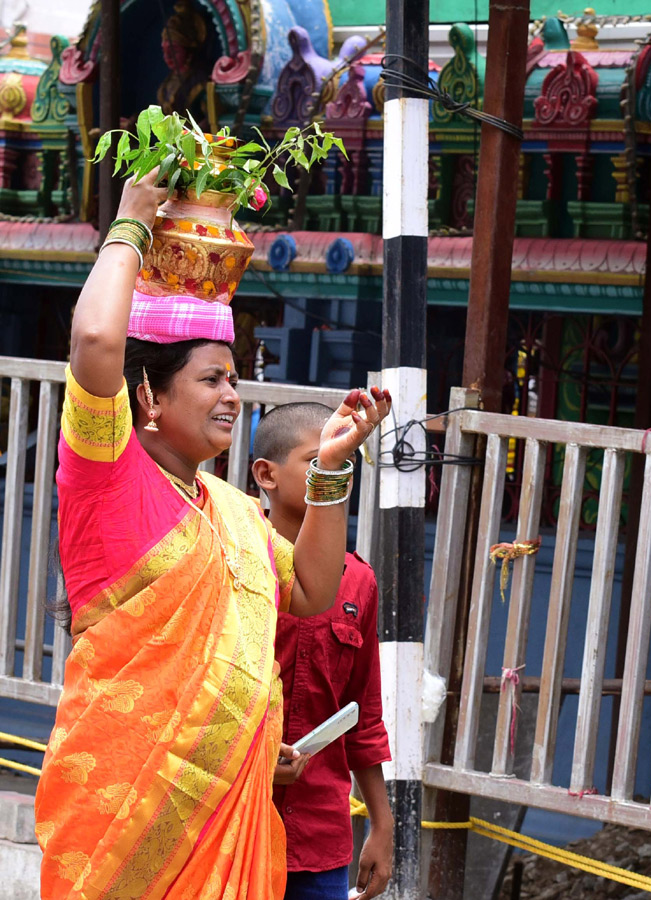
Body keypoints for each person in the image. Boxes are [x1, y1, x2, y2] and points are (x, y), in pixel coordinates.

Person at [34, 170, 391, 900]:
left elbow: (317, 589)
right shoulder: (109, 477)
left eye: (235, 379)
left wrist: (328, 468)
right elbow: (99, 338)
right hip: (125, 827)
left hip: (232, 828)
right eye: (211, 380)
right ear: (149, 397)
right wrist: (130, 222)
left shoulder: (231, 512)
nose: (232, 395)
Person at [251, 403, 394, 900]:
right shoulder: (235, 559)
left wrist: (381, 823)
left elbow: (364, 714)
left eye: (344, 463)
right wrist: (252, 758)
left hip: (320, 839)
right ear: (266, 475)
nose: (335, 471)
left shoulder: (359, 581)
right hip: (234, 824)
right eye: (319, 461)